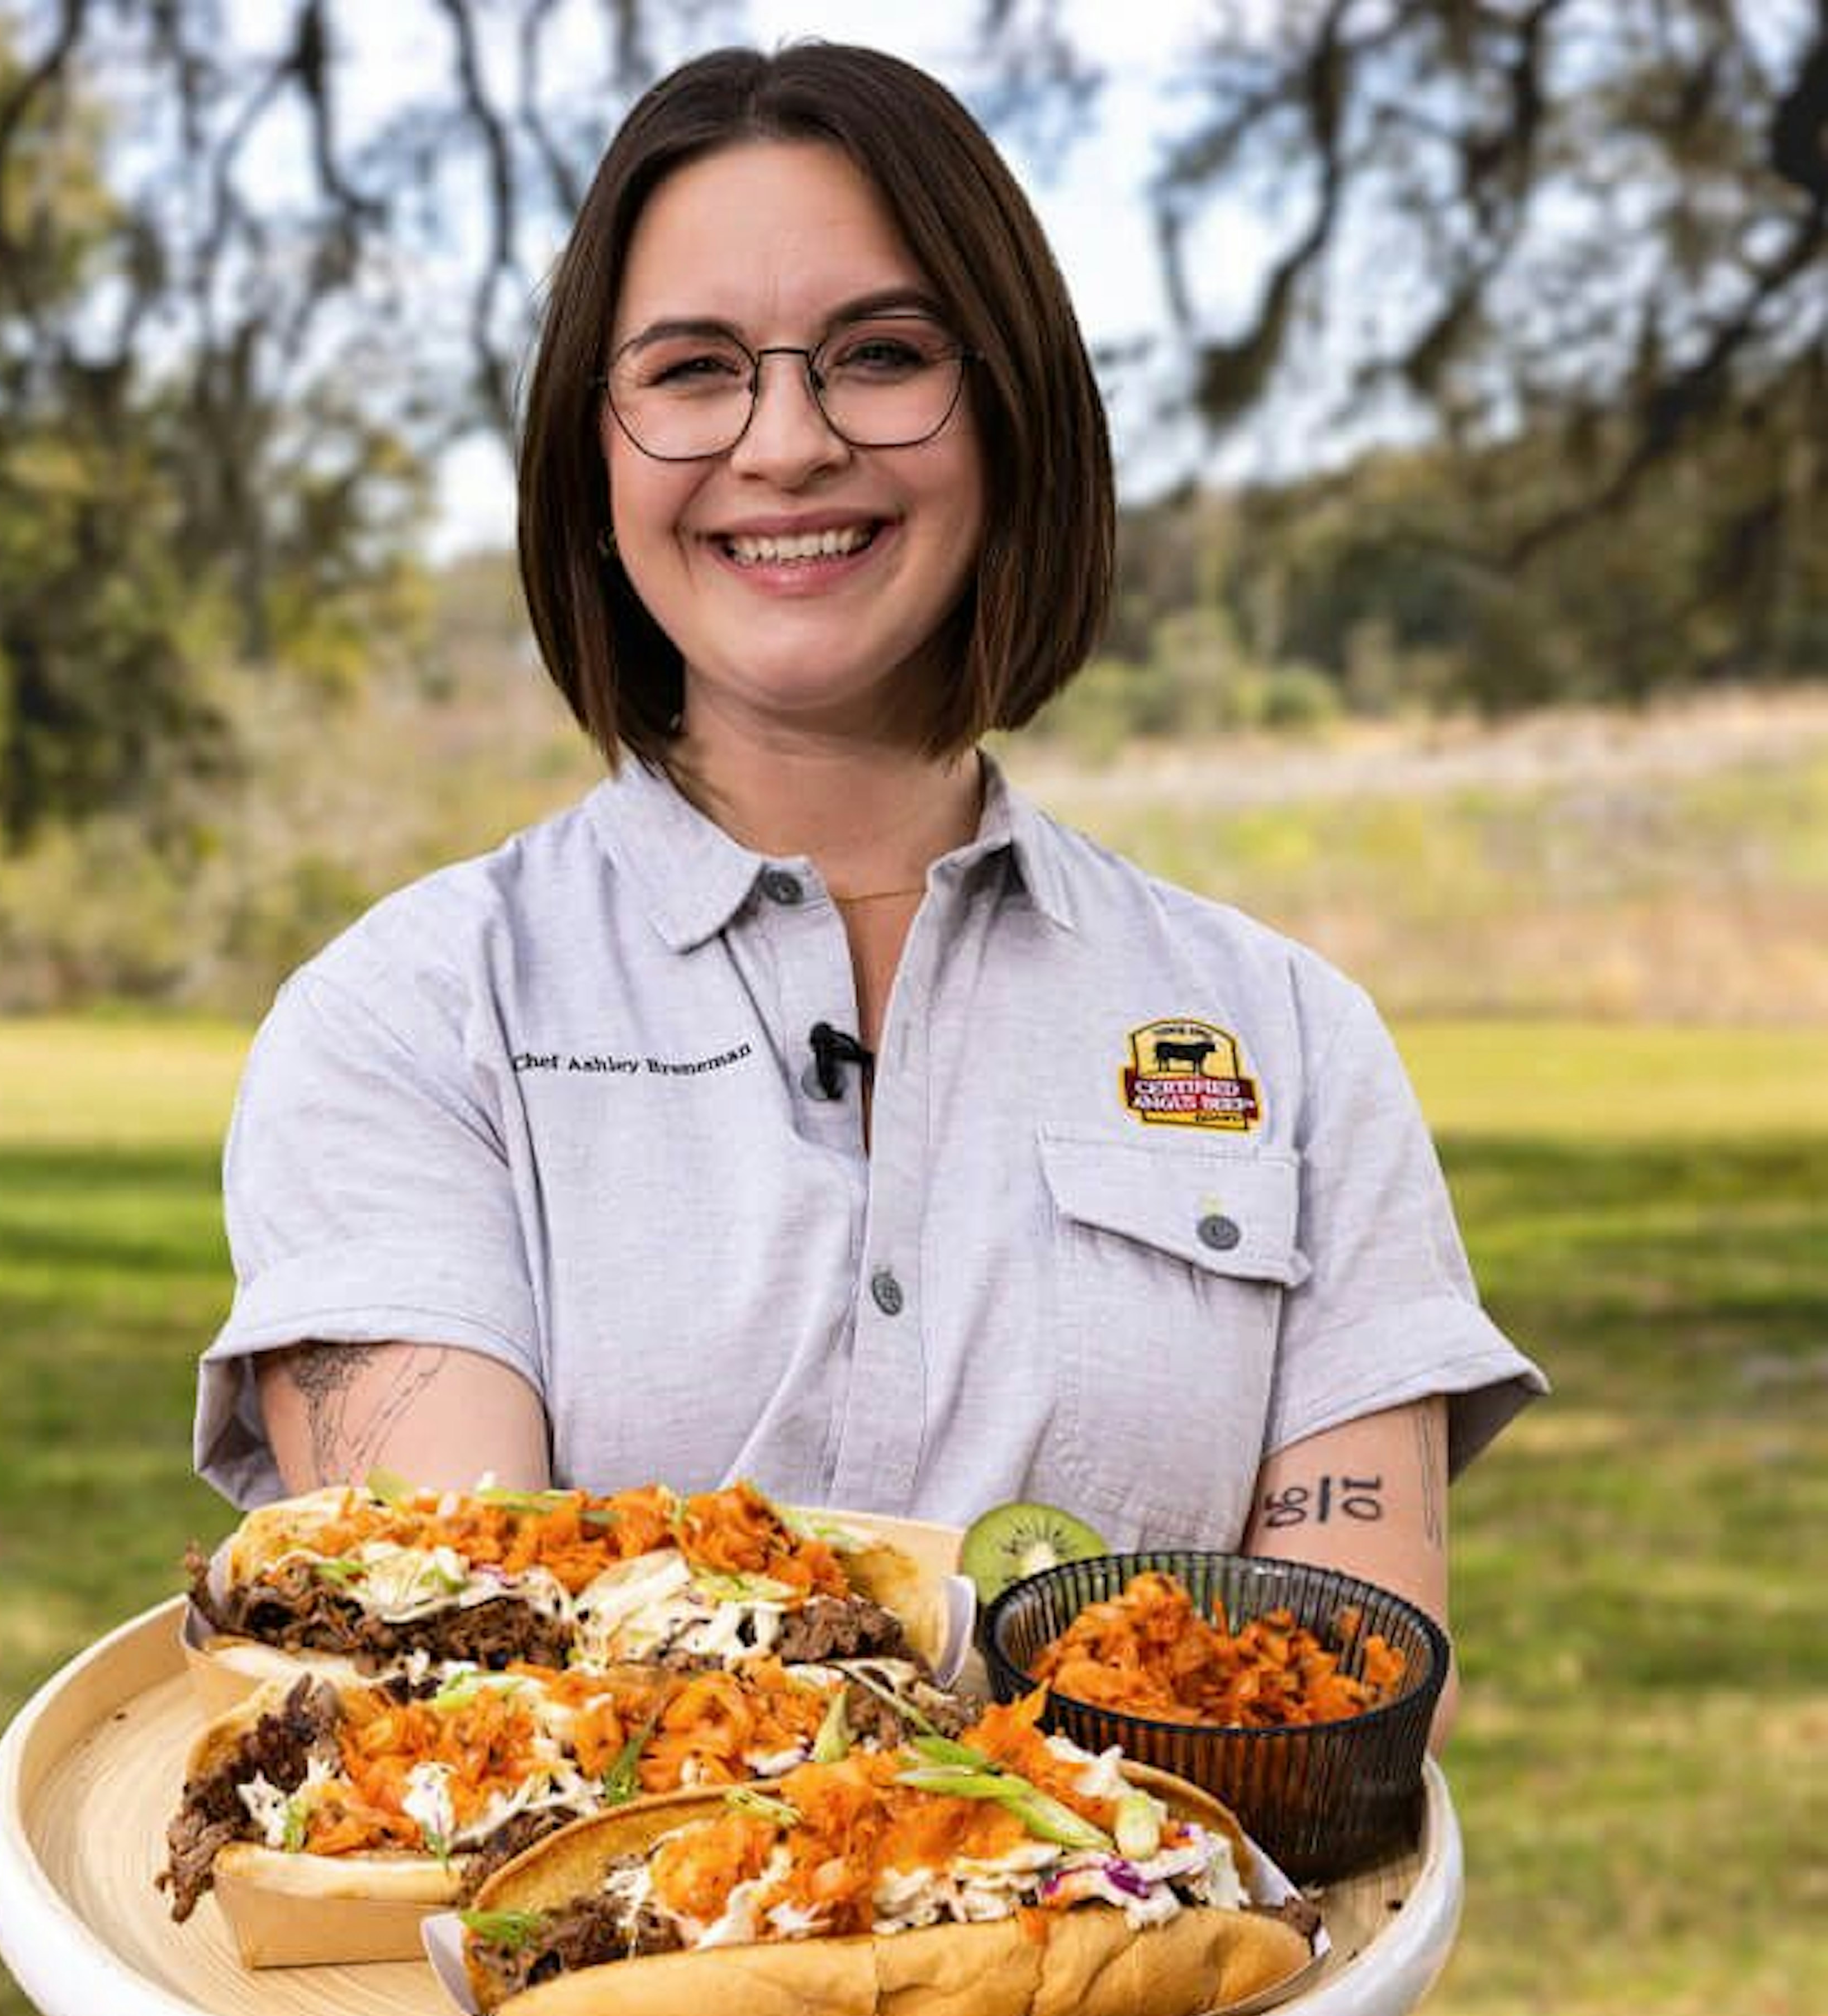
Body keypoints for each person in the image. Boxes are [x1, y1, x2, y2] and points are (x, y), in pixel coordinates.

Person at [191, 44, 1545, 1765]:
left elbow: (1330, 1730)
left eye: (884, 356)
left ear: (1013, 418)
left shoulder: (1289, 1037)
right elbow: (473, 1678)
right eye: (690, 372)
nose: (789, 441)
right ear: (590, 462)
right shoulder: (407, 1022)